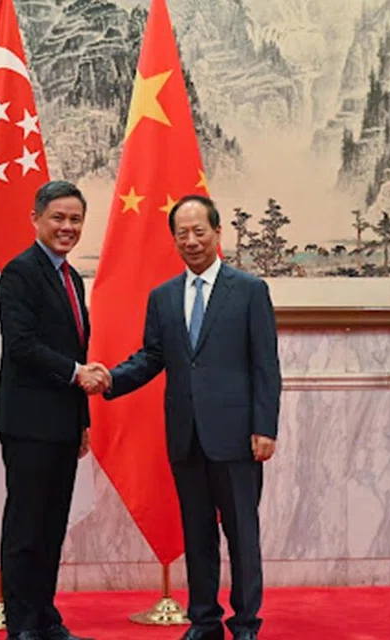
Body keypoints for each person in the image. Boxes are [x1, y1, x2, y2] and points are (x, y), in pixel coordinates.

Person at [101, 194, 281, 640]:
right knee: (197, 535)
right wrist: (109, 379)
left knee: (241, 534)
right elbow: (151, 357)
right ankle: (204, 621)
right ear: (174, 240)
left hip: (238, 436)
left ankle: (245, 624)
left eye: (200, 231)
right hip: (186, 436)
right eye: (182, 234)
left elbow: (266, 365)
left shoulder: (249, 290)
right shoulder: (163, 297)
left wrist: (265, 427)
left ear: (218, 233)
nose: (192, 241)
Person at [0, 180, 108, 640]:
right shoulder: (19, 273)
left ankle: (45, 617)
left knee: (52, 527)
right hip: (28, 424)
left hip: (62, 424)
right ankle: (21, 625)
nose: (67, 227)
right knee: (25, 529)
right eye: (58, 218)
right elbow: (20, 346)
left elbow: (72, 345)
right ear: (36, 219)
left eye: (75, 219)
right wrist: (78, 374)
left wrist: (82, 421)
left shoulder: (71, 277)